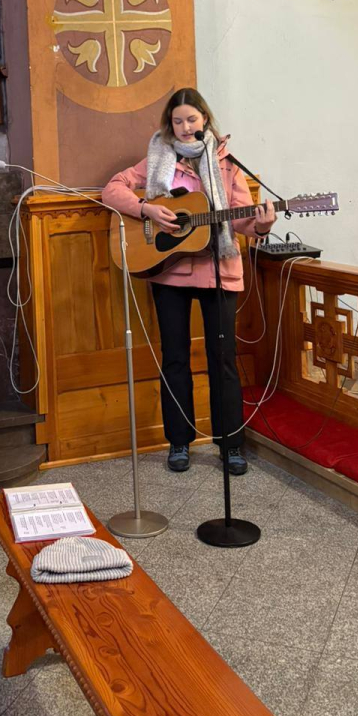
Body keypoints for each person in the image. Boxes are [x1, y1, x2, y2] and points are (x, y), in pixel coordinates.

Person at [103, 88, 275, 474]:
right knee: (175, 358)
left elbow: (241, 220)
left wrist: (261, 226)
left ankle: (230, 445)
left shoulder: (227, 164)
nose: (184, 127)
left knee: (223, 360)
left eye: (191, 120)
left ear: (205, 120)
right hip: (170, 272)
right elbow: (111, 189)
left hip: (219, 271)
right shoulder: (157, 157)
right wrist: (146, 208)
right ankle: (178, 441)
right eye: (177, 121)